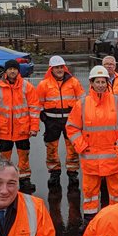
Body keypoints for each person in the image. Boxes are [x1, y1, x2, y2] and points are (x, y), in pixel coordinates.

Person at [66, 65, 118, 225]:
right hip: (90, 159)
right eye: (98, 81)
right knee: (90, 193)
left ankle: (117, 220)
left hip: (114, 158)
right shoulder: (82, 104)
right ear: (92, 83)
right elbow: (72, 127)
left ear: (108, 83)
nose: (101, 84)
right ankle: (90, 221)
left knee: (116, 192)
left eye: (104, 81)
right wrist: (81, 146)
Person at [0, 59, 40, 193]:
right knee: (4, 158)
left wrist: (34, 127)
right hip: (4, 130)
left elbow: (34, 108)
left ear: (18, 71)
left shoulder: (26, 87)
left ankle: (24, 180)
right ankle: (4, 180)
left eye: (14, 69)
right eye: (10, 69)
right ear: (5, 71)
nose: (12, 71)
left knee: (24, 157)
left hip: (22, 129)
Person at [36, 55, 85, 187]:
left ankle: (73, 172)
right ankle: (54, 172)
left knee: (72, 147)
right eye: (56, 67)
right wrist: (43, 117)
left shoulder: (74, 82)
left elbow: (82, 101)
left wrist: (81, 117)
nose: (59, 70)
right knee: (51, 148)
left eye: (61, 67)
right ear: (51, 69)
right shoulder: (44, 84)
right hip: (51, 122)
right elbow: (38, 104)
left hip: (70, 121)